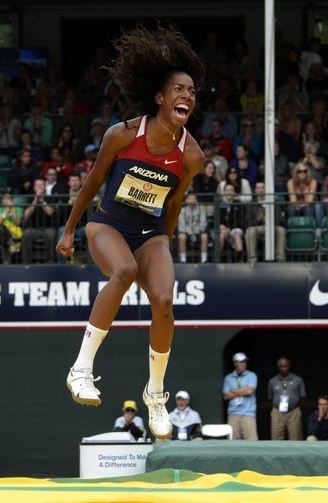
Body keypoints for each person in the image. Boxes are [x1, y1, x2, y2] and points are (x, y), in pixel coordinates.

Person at [57, 26, 205, 440]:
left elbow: (173, 204)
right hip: (108, 224)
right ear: (160, 98)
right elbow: (92, 181)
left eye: (192, 92)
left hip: (151, 232)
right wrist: (70, 229)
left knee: (163, 300)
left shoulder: (191, 154)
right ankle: (81, 368)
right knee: (121, 272)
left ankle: (155, 393)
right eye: (179, 89)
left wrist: (164, 250)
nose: (187, 96)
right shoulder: (122, 134)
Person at [245, 181, 286, 263]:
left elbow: (280, 220)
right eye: (258, 188)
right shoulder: (251, 204)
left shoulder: (275, 202)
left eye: (263, 187)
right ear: (255, 190)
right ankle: (252, 259)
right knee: (249, 231)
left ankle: (280, 257)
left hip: (272, 226)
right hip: (258, 228)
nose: (260, 190)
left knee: (281, 230)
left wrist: (270, 220)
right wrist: (259, 219)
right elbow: (247, 222)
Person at [268, 358, 306, 441]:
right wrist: (278, 405)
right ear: (278, 367)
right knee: (276, 438)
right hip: (278, 412)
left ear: (289, 366)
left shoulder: (298, 380)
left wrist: (297, 408)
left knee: (296, 438)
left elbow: (303, 397)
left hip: (293, 411)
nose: (284, 368)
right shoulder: (272, 381)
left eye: (286, 366)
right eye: (282, 366)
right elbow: (271, 398)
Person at [222, 352, 258, 440]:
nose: (244, 364)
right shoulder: (228, 378)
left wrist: (233, 390)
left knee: (252, 443)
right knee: (233, 443)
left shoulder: (252, 375)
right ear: (235, 363)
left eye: (245, 362)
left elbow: (249, 391)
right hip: (233, 414)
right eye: (241, 362)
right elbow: (226, 396)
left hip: (248, 414)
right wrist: (243, 390)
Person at [177, 193, 208, 263]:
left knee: (204, 236)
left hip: (198, 231)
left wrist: (194, 232)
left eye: (195, 198)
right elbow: (182, 225)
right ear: (186, 200)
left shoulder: (201, 209)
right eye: (191, 198)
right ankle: (183, 260)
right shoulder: (182, 211)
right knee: (182, 237)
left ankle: (204, 259)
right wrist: (191, 233)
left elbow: (203, 223)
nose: (193, 200)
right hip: (186, 232)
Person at [218, 183, 245, 256]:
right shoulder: (220, 205)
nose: (229, 192)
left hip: (235, 228)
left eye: (231, 190)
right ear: (224, 192)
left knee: (235, 233)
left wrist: (230, 228)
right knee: (222, 234)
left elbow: (240, 220)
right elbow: (217, 219)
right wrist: (220, 225)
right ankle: (217, 258)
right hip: (223, 229)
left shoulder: (239, 204)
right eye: (227, 190)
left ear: (234, 192)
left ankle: (240, 257)